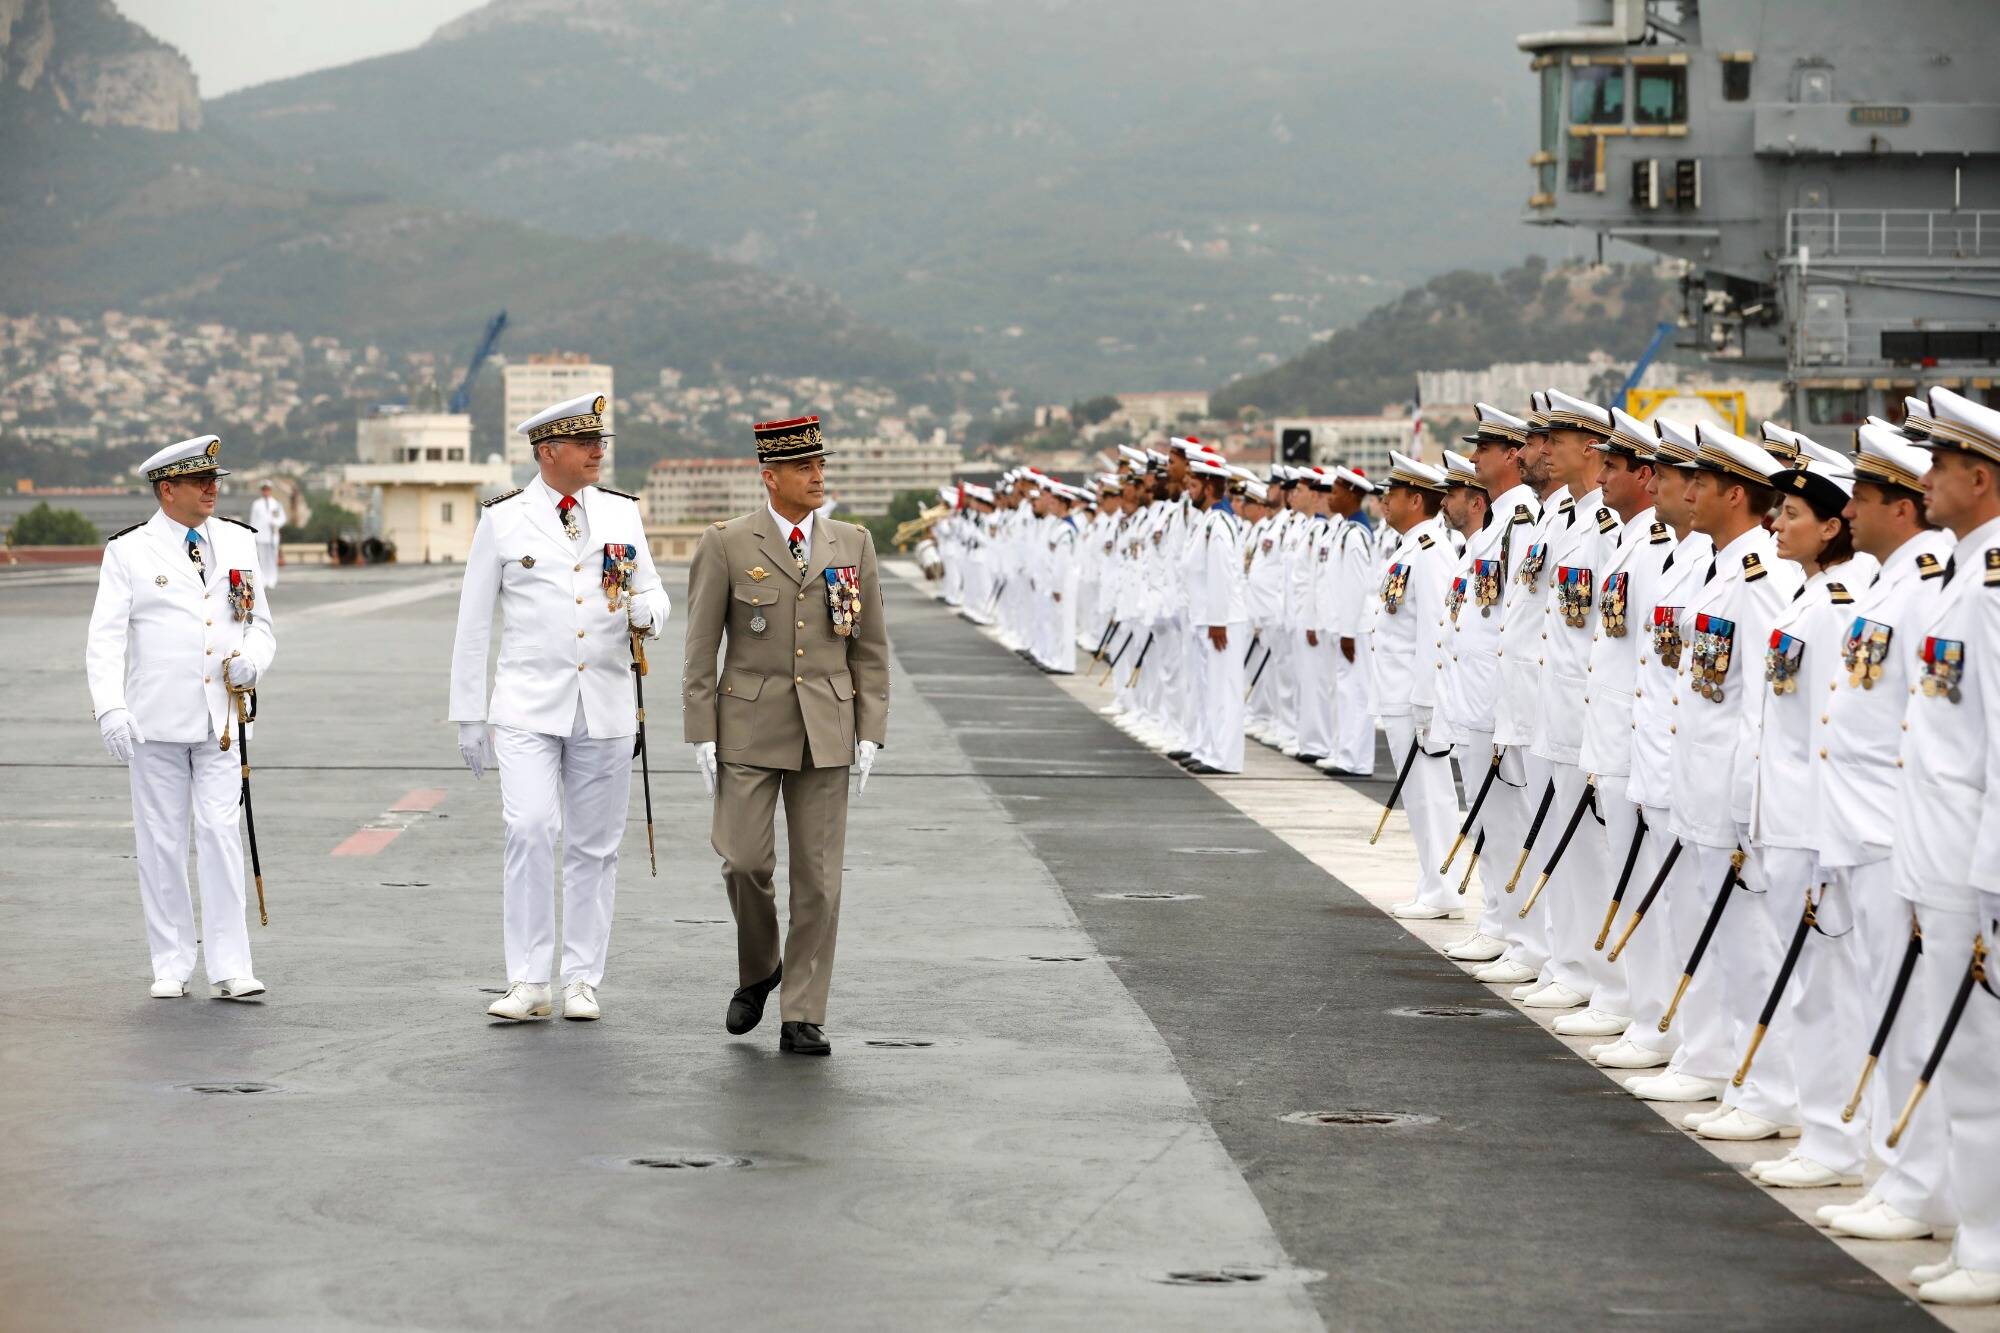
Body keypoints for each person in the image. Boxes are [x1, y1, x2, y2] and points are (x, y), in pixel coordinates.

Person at [449, 392, 667, 1023]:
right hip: (526, 705)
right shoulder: (504, 519)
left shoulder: (621, 513)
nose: (598, 453)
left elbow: (652, 589)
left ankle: (581, 979)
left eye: (600, 442)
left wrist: (649, 612)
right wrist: (469, 715)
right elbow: (473, 625)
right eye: (585, 443)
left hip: (605, 702)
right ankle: (528, 978)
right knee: (529, 829)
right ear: (548, 452)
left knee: (595, 847)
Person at [682, 415, 891, 1056]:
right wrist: (700, 730)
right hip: (748, 725)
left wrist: (871, 729)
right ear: (770, 477)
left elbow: (870, 647)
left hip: (827, 726)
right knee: (744, 862)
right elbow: (701, 646)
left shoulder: (853, 543)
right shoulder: (727, 543)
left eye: (820, 465)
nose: (817, 476)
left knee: (819, 880)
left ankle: (802, 1010)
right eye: (804, 467)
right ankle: (760, 968)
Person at [86, 435, 275, 1000]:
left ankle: (230, 965)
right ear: (167, 490)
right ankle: (171, 961)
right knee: (162, 842)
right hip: (155, 721)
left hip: (223, 723)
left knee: (220, 834)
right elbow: (105, 639)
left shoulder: (238, 541)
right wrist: (110, 708)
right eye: (200, 482)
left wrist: (254, 660)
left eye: (214, 481)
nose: (212, 490)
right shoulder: (129, 551)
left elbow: (260, 625)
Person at [249, 483, 286, 588]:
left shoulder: (276, 504)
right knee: (262, 559)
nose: (266, 491)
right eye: (264, 489)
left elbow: (282, 518)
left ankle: (272, 578)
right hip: (261, 535)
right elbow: (253, 520)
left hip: (273, 535)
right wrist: (252, 535)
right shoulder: (256, 504)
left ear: (270, 490)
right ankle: (264, 579)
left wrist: (276, 523)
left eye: (267, 489)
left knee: (272, 558)